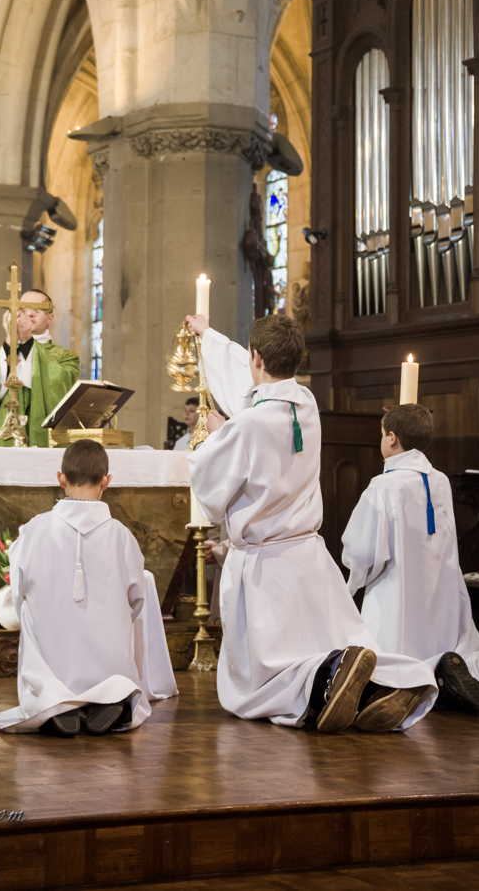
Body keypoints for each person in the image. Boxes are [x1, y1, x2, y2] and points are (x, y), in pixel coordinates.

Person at [187, 312, 436, 732]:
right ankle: (383, 686)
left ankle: (327, 682)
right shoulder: (307, 406)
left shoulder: (247, 424)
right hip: (308, 557)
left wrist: (215, 436)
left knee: (261, 679)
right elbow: (255, 393)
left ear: (257, 357)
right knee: (332, 638)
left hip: (265, 566)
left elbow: (210, 490)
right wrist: (209, 337)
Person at [0, 439, 177, 735]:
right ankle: (109, 698)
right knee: (122, 620)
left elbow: (19, 591)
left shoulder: (35, 529)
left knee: (28, 611)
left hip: (54, 648)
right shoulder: (121, 535)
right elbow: (138, 599)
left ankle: (55, 702)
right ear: (107, 481)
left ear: (61, 478)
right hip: (108, 653)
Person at [342, 403, 479, 715]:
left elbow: (364, 550)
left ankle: (400, 686)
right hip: (441, 588)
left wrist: (355, 579)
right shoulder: (440, 480)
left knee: (378, 651)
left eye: (382, 434)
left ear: (392, 438)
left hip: (397, 590)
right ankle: (441, 673)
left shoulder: (384, 486)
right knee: (447, 638)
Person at [0, 288, 79, 447]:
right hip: (3, 441)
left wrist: (28, 342)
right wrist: (11, 342)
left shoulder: (65, 358)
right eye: (23, 309)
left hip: (43, 440)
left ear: (50, 317)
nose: (29, 314)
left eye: (36, 310)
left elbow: (60, 387)